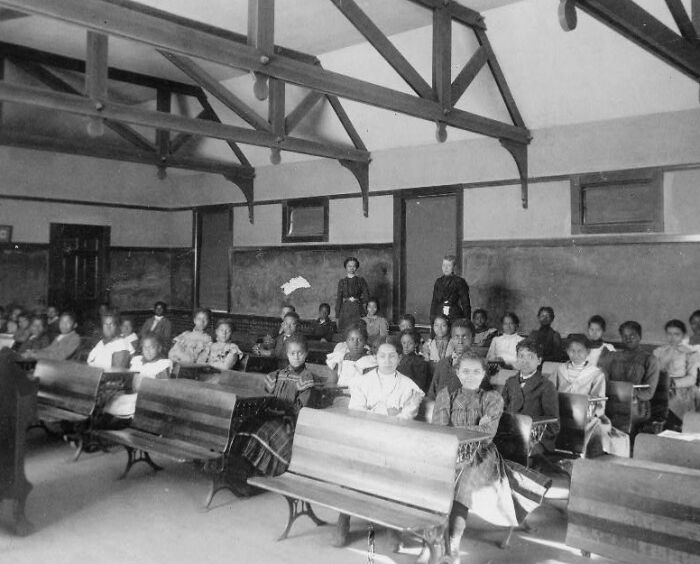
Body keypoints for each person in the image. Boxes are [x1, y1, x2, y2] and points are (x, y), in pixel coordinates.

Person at [335, 338, 424, 548]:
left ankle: (391, 524)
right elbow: (357, 411)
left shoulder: (409, 386)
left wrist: (381, 412)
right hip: (366, 436)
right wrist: (387, 412)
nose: (387, 360)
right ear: (375, 358)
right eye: (382, 355)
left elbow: (408, 414)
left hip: (395, 440)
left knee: (393, 471)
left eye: (392, 355)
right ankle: (344, 517)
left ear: (400, 358)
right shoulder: (362, 382)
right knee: (353, 465)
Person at [431, 352, 518, 562]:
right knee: (432, 476)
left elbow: (487, 435)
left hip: (481, 454)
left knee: (465, 480)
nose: (471, 376)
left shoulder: (492, 398)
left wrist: (475, 429)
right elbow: (440, 428)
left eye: (476, 371)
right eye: (466, 371)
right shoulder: (446, 394)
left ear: (484, 374)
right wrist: (476, 426)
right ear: (458, 373)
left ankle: (454, 540)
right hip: (448, 450)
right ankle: (434, 536)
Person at [235, 335, 315, 479]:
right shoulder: (278, 375)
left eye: (300, 353)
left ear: (306, 354)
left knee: (266, 432)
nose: (296, 357)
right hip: (272, 414)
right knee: (248, 424)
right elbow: (265, 396)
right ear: (287, 354)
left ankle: (261, 470)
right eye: (292, 353)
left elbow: (300, 407)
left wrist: (283, 411)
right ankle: (244, 468)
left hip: (289, 420)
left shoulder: (306, 378)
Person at [556, 335, 629, 457]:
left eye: (580, 351)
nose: (576, 354)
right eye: (572, 351)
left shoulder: (596, 373)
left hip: (586, 414)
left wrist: (588, 412)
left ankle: (580, 456)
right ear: (567, 351)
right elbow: (551, 391)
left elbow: (599, 402)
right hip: (560, 411)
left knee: (587, 426)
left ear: (588, 352)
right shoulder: (560, 370)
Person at [96, 333, 172, 430]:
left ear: (159, 348)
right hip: (129, 394)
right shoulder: (137, 360)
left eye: (152, 347)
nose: (148, 351)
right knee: (111, 400)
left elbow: (162, 389)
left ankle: (117, 424)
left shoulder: (162, 364)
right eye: (145, 348)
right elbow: (128, 377)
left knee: (123, 409)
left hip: (145, 398)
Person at [598, 321, 660, 435]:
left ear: (639, 337)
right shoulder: (613, 356)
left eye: (632, 335)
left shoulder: (649, 359)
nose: (628, 339)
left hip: (637, 406)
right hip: (612, 401)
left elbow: (649, 392)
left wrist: (629, 393)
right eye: (625, 336)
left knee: (615, 419)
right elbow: (600, 375)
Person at [502, 339, 559, 456]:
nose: (525, 361)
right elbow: (501, 410)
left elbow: (553, 422)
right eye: (521, 356)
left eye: (530, 357)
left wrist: (534, 438)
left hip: (535, 439)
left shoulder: (546, 385)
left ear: (539, 361)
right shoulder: (510, 382)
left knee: (517, 451)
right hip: (511, 434)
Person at [653, 320, 700, 428]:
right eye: (669, 334)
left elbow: (692, 378)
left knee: (674, 406)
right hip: (660, 387)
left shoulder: (690, 353)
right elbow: (656, 369)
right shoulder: (659, 351)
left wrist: (673, 383)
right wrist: (670, 351)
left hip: (682, 389)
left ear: (683, 335)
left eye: (676, 334)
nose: (672, 338)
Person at [327, 323, 377, 390]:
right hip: (339, 395)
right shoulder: (339, 359)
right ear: (346, 341)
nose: (355, 343)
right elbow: (330, 383)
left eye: (360, 340)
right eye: (351, 339)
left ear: (365, 342)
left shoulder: (370, 361)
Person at [430, 255, 471, 324]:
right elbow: (434, 302)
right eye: (444, 265)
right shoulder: (438, 282)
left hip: (454, 315)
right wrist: (432, 318)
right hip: (439, 314)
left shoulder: (459, 282)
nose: (446, 268)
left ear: (454, 267)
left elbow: (465, 303)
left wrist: (466, 321)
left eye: (449, 265)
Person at [335, 257, 370, 334]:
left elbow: (367, 296)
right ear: (346, 267)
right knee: (345, 332)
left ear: (356, 267)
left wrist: (358, 301)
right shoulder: (342, 282)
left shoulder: (361, 281)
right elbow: (339, 299)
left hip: (358, 309)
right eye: (349, 266)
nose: (351, 268)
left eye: (353, 266)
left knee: (358, 331)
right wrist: (337, 315)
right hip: (345, 310)